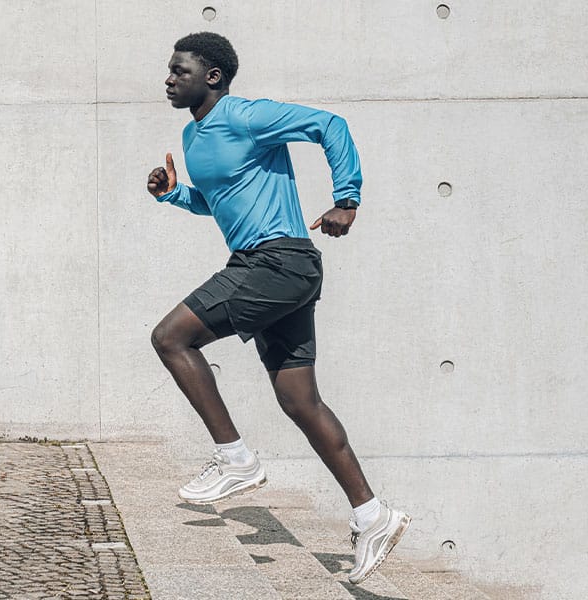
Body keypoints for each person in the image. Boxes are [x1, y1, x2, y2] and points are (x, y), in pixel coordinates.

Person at [145, 31, 409, 585]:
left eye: (179, 70)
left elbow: (329, 126)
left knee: (171, 338)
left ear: (211, 76)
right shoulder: (193, 135)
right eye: (169, 71)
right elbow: (219, 201)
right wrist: (173, 192)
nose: (168, 78)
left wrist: (347, 199)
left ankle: (235, 458)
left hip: (277, 262)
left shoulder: (245, 116)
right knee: (299, 400)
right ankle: (372, 514)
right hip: (269, 264)